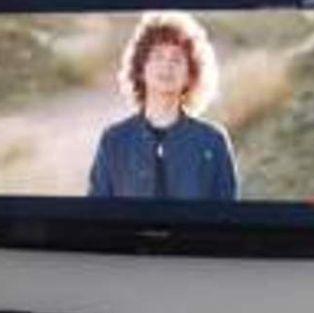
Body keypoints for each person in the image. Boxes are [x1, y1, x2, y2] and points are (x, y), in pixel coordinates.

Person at [88, 12, 238, 200]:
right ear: (140, 69)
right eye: (158, 57)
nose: (167, 66)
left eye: (176, 59)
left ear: (190, 75)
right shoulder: (114, 140)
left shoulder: (212, 142)